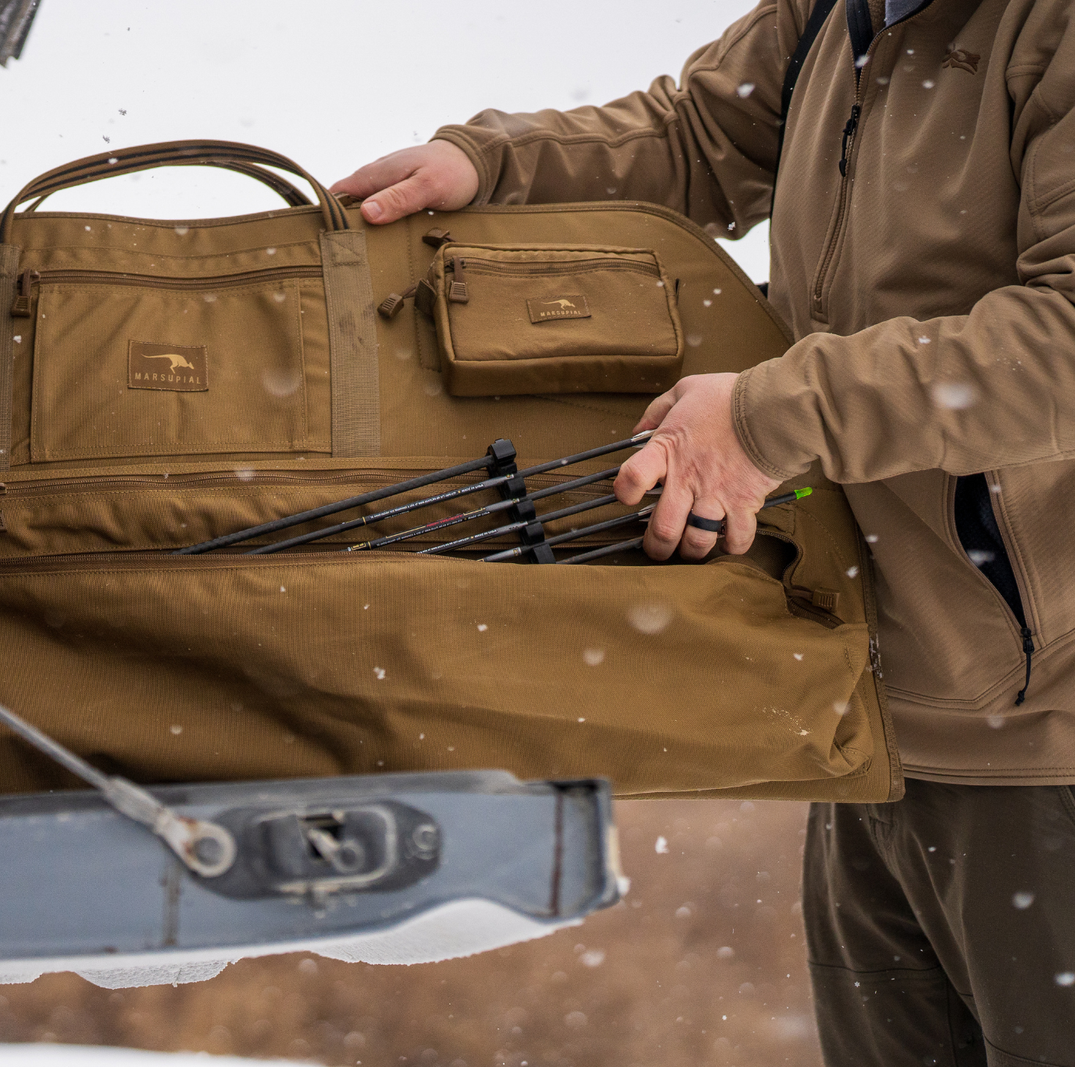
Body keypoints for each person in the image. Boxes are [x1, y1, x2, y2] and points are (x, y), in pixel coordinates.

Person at [333, 1, 1075, 1063]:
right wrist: (488, 164)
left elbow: (1063, 342)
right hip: (871, 709)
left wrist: (770, 418)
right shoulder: (832, 14)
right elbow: (696, 136)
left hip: (1043, 740)